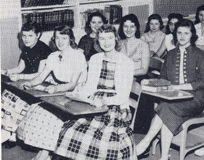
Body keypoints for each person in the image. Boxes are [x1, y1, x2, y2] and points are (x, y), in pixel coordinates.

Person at [54, 24, 136, 160]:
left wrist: (104, 101)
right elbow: (90, 87)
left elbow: (123, 95)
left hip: (116, 106)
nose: (106, 42)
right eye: (102, 39)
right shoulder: (95, 59)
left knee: (103, 140)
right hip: (93, 102)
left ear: (116, 39)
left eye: (110, 38)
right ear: (97, 41)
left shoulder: (126, 62)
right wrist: (77, 96)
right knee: (68, 131)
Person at [136, 19, 204, 160]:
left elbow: (203, 82)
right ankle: (164, 156)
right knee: (167, 109)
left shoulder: (199, 54)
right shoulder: (170, 54)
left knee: (166, 108)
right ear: (175, 34)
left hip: (196, 98)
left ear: (192, 34)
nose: (182, 36)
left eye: (186, 33)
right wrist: (150, 82)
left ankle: (146, 142)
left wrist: (178, 87)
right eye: (179, 33)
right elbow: (163, 78)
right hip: (174, 96)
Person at [16, 25, 87, 160]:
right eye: (57, 38)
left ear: (71, 39)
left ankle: (45, 154)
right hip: (60, 93)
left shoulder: (78, 56)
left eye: (64, 38)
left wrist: (56, 89)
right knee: (35, 112)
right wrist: (30, 83)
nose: (60, 41)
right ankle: (45, 153)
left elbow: (72, 85)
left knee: (50, 118)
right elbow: (41, 76)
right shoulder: (53, 56)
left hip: (76, 94)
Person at [1, 21, 51, 146]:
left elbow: (40, 74)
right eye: (24, 36)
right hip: (25, 79)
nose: (26, 39)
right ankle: (8, 132)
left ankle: (11, 135)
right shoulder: (26, 48)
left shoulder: (44, 49)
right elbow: (20, 67)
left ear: (38, 35)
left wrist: (19, 77)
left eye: (30, 36)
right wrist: (7, 71)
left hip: (40, 83)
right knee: (5, 94)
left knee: (16, 99)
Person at [119, 13, 150, 79]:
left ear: (136, 28)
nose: (128, 30)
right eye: (125, 26)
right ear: (122, 27)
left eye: (132, 26)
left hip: (139, 78)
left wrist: (125, 74)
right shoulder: (118, 44)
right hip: (122, 78)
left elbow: (144, 70)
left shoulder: (144, 45)